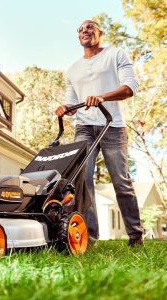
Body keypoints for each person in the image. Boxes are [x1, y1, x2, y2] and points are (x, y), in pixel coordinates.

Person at [55, 20, 143, 246]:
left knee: (121, 181)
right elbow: (72, 101)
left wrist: (102, 96)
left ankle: (135, 236)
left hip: (111, 125)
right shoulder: (73, 69)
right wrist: (65, 108)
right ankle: (89, 237)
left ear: (100, 33)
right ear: (78, 37)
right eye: (81, 28)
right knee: (82, 181)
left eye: (90, 27)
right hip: (84, 127)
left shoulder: (115, 55)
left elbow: (130, 87)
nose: (85, 30)